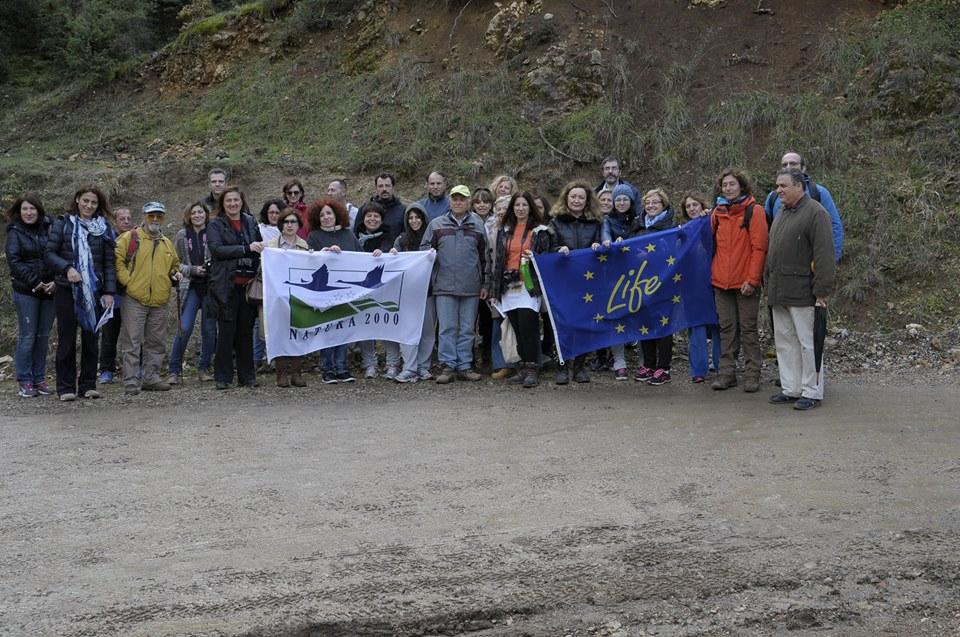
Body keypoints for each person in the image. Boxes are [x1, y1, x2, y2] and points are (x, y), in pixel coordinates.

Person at [766, 168, 837, 410]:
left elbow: (825, 256)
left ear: (799, 186)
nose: (779, 191)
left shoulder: (816, 213)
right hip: (780, 290)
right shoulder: (783, 212)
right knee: (785, 342)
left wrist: (822, 291)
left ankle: (812, 391)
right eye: (777, 186)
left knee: (809, 343)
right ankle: (792, 388)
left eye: (783, 186)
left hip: (804, 292)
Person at [45, 186, 116, 402]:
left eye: (93, 203)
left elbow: (109, 263)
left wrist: (109, 291)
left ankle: (87, 384)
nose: (89, 206)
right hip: (67, 290)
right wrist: (67, 268)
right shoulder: (63, 223)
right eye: (85, 201)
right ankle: (65, 386)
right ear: (77, 200)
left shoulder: (103, 228)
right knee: (67, 338)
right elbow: (49, 253)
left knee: (91, 338)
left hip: (93, 291)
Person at [421, 184, 488, 384]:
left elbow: (485, 257)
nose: (458, 202)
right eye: (455, 199)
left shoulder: (477, 225)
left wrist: (485, 284)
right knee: (447, 328)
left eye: (462, 199)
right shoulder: (436, 224)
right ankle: (448, 366)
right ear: (450, 201)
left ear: (469, 202)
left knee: (468, 329)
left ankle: (465, 366)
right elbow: (424, 251)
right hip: (444, 286)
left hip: (472, 286)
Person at [709, 169, 768, 393]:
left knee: (748, 330)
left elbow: (760, 248)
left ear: (741, 186)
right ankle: (727, 374)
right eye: (725, 185)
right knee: (727, 329)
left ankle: (753, 374)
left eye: (732, 184)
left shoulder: (755, 211)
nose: (729, 188)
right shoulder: (718, 213)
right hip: (721, 282)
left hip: (745, 283)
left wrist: (752, 280)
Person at [114, 202, 182, 395]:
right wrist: (128, 282)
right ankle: (131, 381)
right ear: (144, 216)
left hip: (160, 300)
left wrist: (175, 274)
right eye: (151, 215)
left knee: (156, 342)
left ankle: (151, 377)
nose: (154, 219)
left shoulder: (167, 243)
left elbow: (174, 265)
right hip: (135, 298)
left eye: (159, 216)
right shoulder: (130, 238)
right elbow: (118, 260)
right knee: (132, 341)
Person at [487, 192, 550, 387]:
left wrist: (535, 256)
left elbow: (547, 257)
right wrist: (494, 290)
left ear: (530, 207)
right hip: (508, 286)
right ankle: (523, 367)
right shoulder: (505, 231)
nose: (520, 208)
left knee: (528, 326)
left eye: (524, 205)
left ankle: (533, 368)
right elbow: (499, 262)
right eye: (517, 205)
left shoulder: (540, 231)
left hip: (529, 285)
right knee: (516, 328)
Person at [207, 186, 265, 390]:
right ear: (223, 203)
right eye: (228, 200)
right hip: (226, 285)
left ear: (242, 202)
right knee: (226, 332)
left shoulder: (250, 221)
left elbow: (258, 245)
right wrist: (245, 249)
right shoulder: (216, 224)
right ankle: (222, 377)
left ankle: (247, 376)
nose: (233, 204)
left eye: (236, 200)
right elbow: (216, 250)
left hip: (247, 286)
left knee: (245, 332)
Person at [546, 181, 603, 384]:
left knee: (583, 324)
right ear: (566, 199)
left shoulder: (595, 222)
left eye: (581, 197)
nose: (577, 200)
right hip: (563, 281)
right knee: (563, 324)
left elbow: (603, 247)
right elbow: (548, 248)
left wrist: (599, 247)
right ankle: (562, 365)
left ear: (587, 201)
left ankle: (580, 366)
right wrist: (558, 250)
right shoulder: (555, 222)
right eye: (573, 197)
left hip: (587, 282)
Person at [6, 194, 56, 397]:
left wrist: (55, 280)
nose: (29, 213)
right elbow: (14, 261)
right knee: (28, 336)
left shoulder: (50, 227)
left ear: (39, 210)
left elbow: (57, 253)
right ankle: (25, 380)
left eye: (32, 209)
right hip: (26, 290)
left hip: (50, 290)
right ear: (19, 211)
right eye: (25, 209)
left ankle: (39, 378)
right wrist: (35, 282)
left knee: (43, 336)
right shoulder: (14, 232)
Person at [306, 198, 358, 384]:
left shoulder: (348, 235)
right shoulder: (314, 236)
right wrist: (324, 253)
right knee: (327, 329)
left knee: (343, 329)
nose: (326, 217)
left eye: (329, 213)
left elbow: (359, 257)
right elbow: (308, 260)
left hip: (345, 290)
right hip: (324, 292)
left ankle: (342, 368)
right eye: (322, 215)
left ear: (337, 215)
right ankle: (327, 369)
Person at [167, 201, 217, 384]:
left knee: (209, 330)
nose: (197, 215)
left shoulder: (213, 232)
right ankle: (174, 369)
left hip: (210, 287)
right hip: (191, 287)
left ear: (206, 214)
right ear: (189, 215)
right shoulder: (181, 235)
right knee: (184, 327)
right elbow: (174, 263)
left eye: (200, 212)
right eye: (194, 212)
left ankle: (204, 368)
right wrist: (192, 270)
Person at [630, 188, 676, 385]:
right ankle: (648, 364)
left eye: (655, 202)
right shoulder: (638, 225)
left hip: (663, 281)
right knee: (645, 322)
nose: (650, 206)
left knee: (664, 324)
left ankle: (663, 367)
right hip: (641, 282)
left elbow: (671, 252)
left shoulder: (671, 226)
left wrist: (649, 255)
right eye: (648, 202)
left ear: (663, 204)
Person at [763, 152, 844, 262]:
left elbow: (835, 227)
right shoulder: (773, 197)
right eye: (784, 164)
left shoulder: (819, 193)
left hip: (809, 265)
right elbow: (766, 230)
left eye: (793, 164)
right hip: (780, 266)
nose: (788, 167)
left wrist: (831, 261)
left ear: (803, 168)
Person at [264, 209, 311, 388]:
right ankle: (281, 373)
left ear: (298, 225)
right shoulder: (270, 246)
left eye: (293, 222)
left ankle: (297, 373)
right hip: (277, 297)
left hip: (298, 296)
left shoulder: (304, 246)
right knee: (279, 333)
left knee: (298, 332)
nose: (290, 225)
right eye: (286, 222)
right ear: (281, 225)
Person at [390, 203, 436, 383]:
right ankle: (409, 367)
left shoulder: (432, 239)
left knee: (427, 332)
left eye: (417, 217)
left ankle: (423, 367)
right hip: (407, 294)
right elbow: (394, 265)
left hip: (428, 292)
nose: (414, 221)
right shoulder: (401, 240)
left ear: (424, 219)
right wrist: (393, 254)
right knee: (408, 331)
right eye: (411, 218)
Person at [679, 193, 721, 383]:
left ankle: (721, 365)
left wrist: (708, 218)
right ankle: (698, 370)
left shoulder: (712, 223)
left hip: (713, 282)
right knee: (696, 327)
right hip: (692, 286)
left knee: (718, 326)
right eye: (688, 206)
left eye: (695, 204)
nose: (692, 209)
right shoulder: (681, 231)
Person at [353, 202, 398, 378]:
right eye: (368, 216)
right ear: (363, 218)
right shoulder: (354, 235)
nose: (372, 219)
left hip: (386, 288)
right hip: (362, 289)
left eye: (376, 216)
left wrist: (385, 252)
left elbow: (393, 253)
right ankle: (369, 364)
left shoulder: (390, 235)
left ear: (381, 219)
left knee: (388, 324)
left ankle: (392, 363)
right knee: (365, 326)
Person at [602, 184, 639, 380]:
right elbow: (604, 236)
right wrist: (609, 243)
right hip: (615, 275)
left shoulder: (638, 219)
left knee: (638, 313)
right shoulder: (607, 220)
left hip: (639, 274)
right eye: (618, 200)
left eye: (625, 199)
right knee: (616, 313)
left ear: (631, 201)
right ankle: (619, 361)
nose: (622, 202)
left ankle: (644, 361)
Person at [98, 206, 134, 384]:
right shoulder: (107, 239)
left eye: (128, 218)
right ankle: (106, 370)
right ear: (115, 221)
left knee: (133, 334)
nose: (126, 221)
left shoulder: (136, 239)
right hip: (112, 292)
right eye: (122, 219)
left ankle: (134, 368)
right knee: (109, 334)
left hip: (132, 293)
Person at [254, 198, 283, 369]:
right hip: (264, 279)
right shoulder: (259, 230)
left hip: (282, 281)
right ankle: (257, 359)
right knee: (260, 321)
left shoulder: (287, 230)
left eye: (277, 212)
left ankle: (274, 358)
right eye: (271, 212)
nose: (274, 215)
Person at [487, 196, 513, 379]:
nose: (501, 211)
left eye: (505, 208)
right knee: (498, 324)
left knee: (520, 323)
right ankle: (501, 364)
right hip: (496, 283)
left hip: (517, 282)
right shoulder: (490, 230)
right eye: (499, 208)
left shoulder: (520, 229)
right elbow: (488, 260)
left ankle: (526, 361)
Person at [361, 173, 405, 248]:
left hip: (394, 256)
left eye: (387, 186)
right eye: (380, 186)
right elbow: (357, 233)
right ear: (376, 188)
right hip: (369, 256)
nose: (384, 189)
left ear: (393, 187)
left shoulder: (403, 211)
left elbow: (405, 236)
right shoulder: (364, 209)